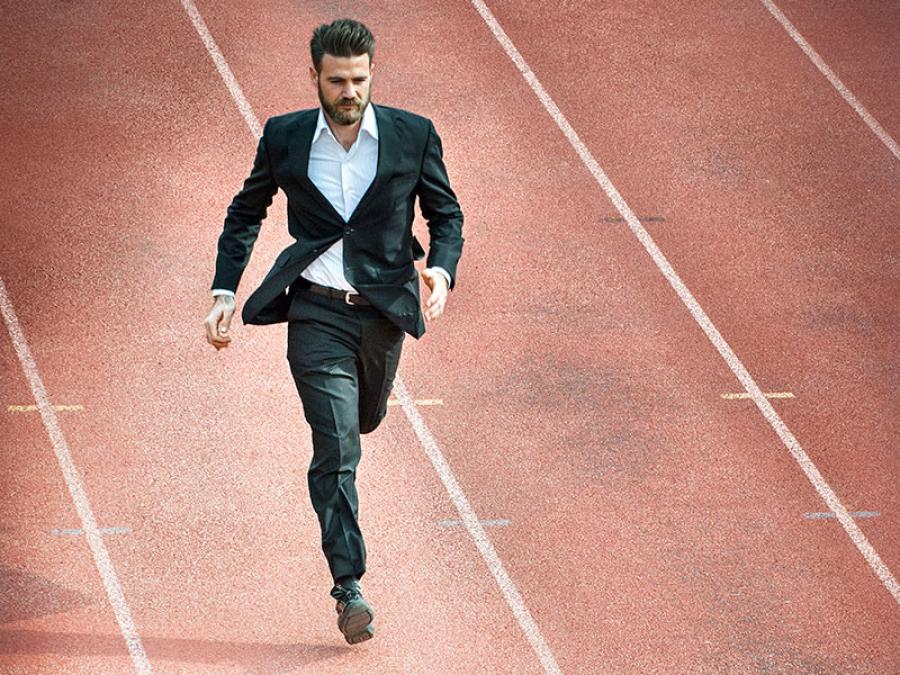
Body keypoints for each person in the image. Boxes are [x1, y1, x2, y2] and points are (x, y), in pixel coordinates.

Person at [203, 18, 464, 645]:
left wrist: (441, 271)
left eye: (359, 80)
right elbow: (245, 212)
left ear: (372, 74)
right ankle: (349, 586)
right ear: (315, 77)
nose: (350, 92)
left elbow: (446, 213)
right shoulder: (285, 136)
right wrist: (223, 291)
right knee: (338, 447)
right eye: (338, 81)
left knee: (365, 421)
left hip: (383, 313)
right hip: (315, 313)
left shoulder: (413, 135)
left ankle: (361, 419)